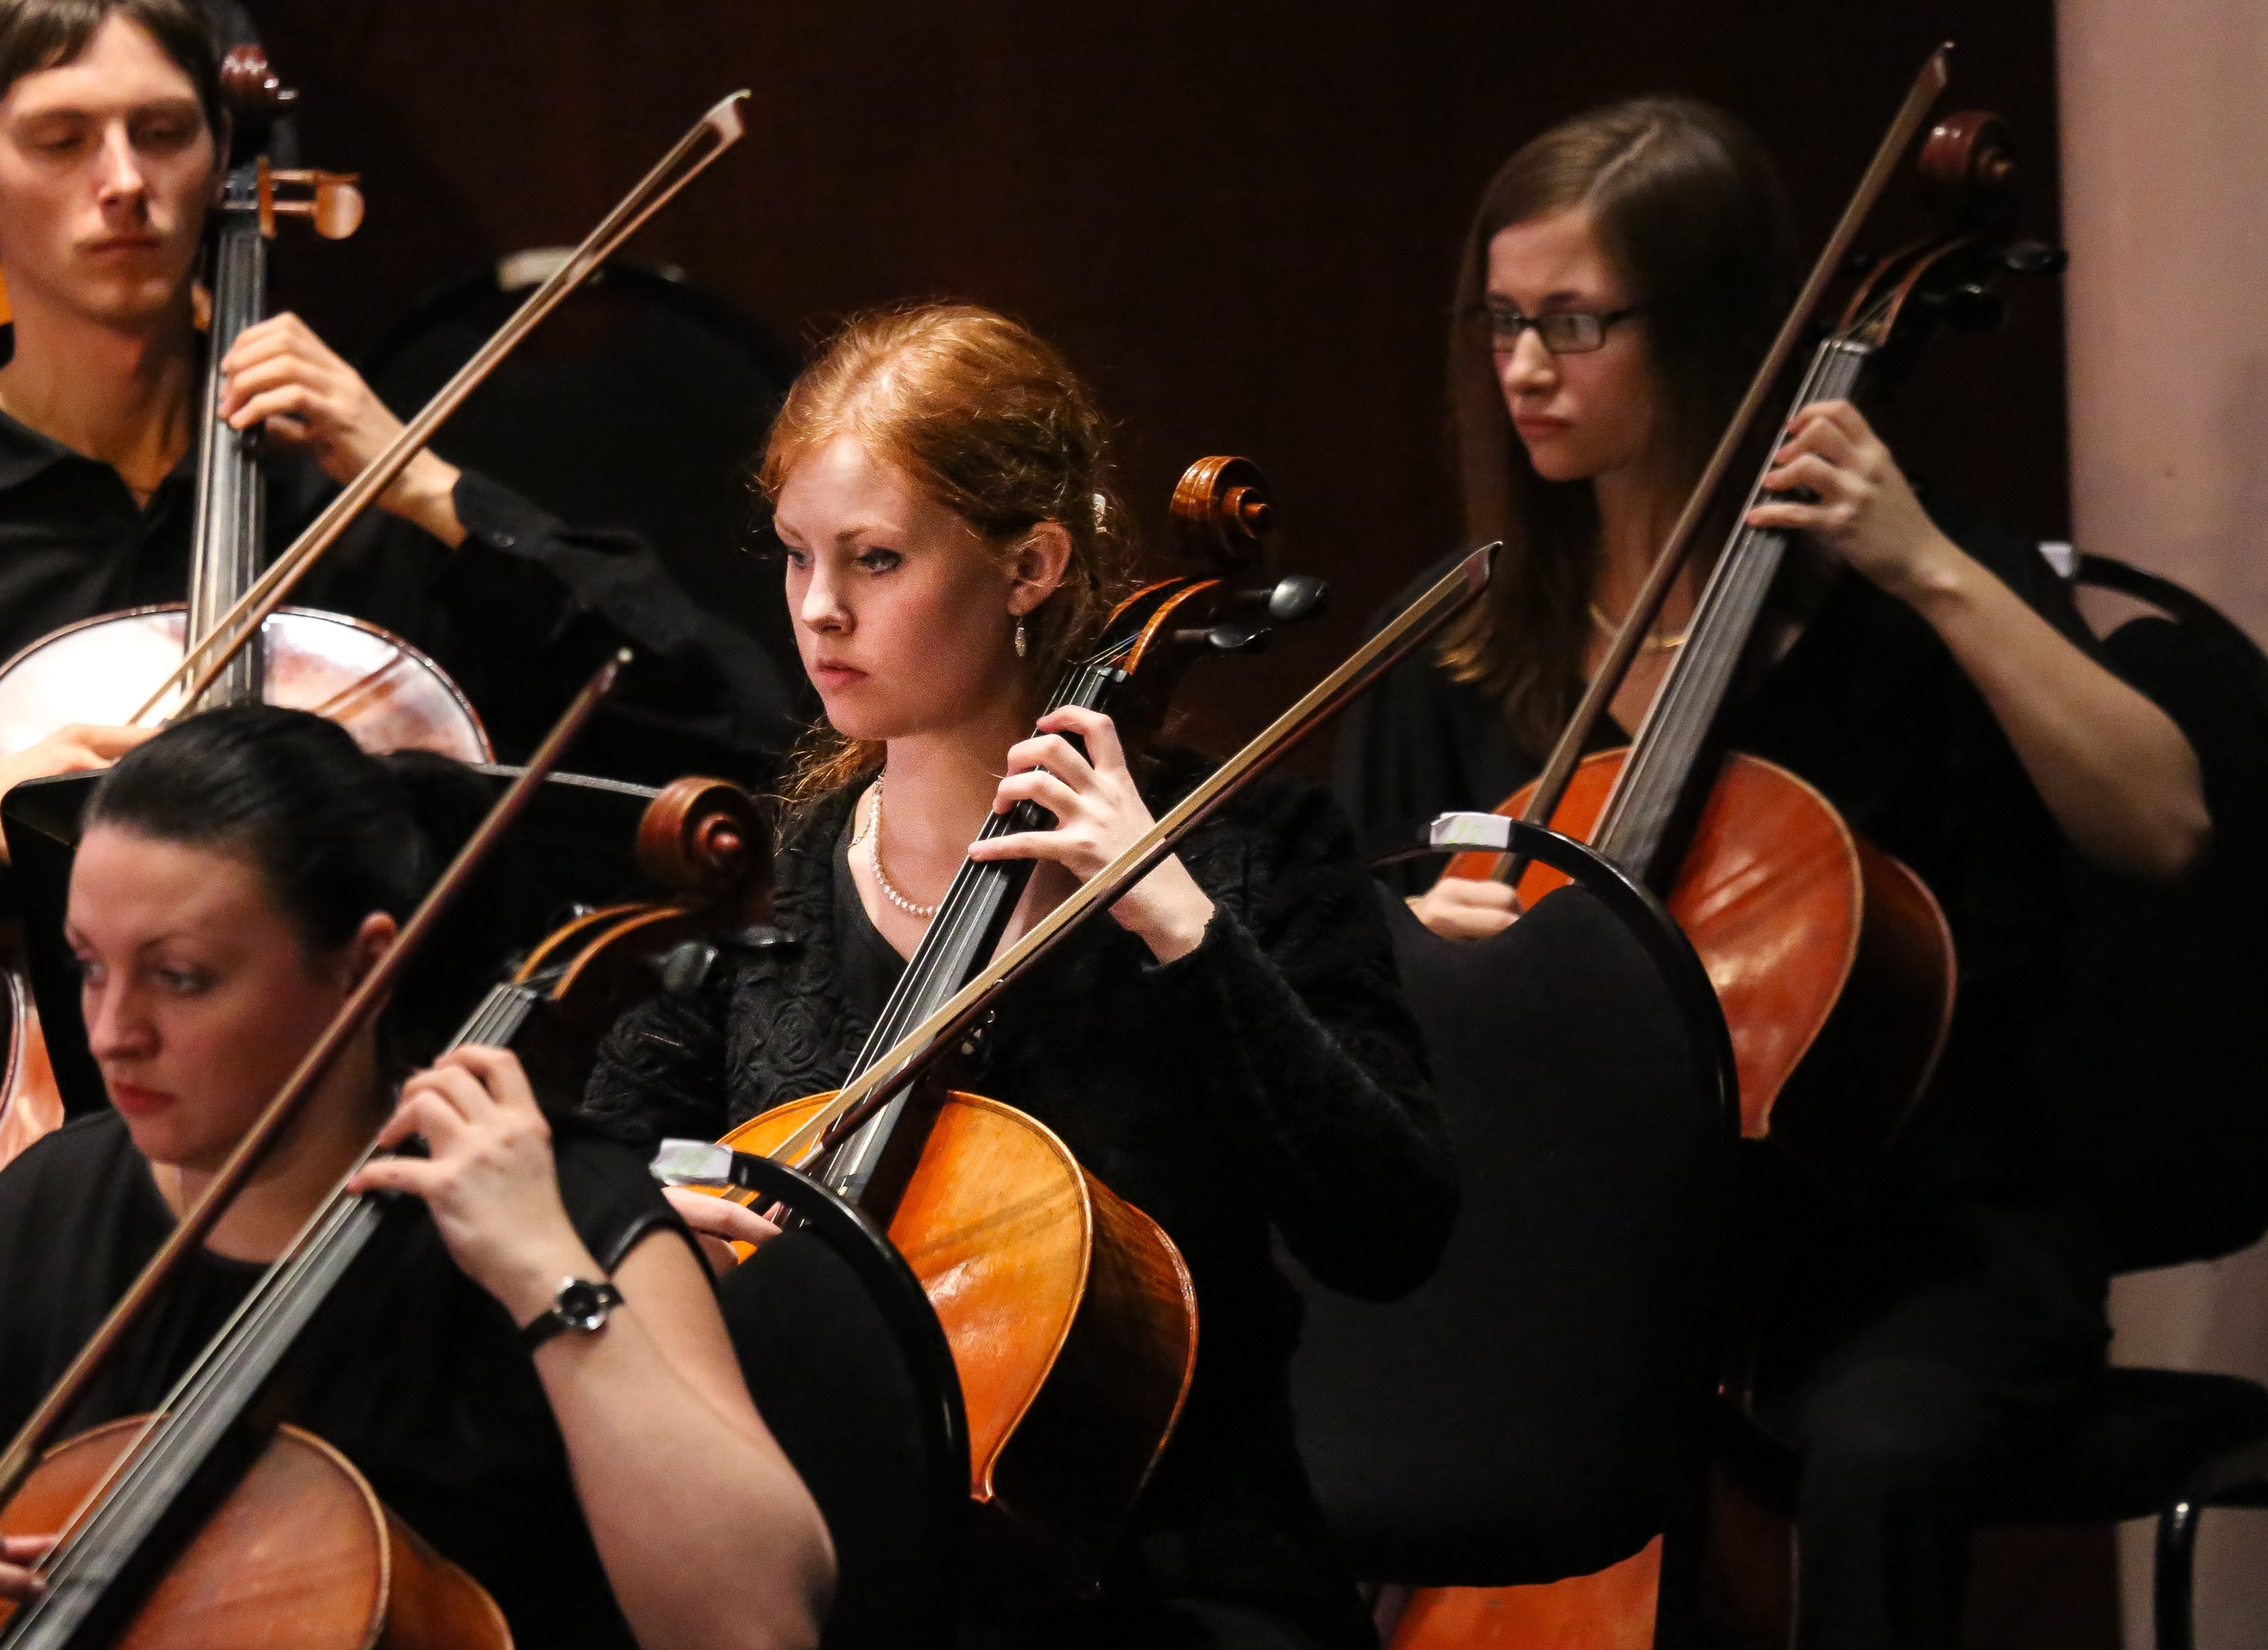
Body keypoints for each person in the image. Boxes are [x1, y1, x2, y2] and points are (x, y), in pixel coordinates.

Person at [1335, 98, 2210, 1650]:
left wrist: (1927, 562)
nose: (1525, 367)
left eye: (1577, 324)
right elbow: (1344, 983)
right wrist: (1426, 947)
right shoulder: (1465, 656)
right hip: (1594, 1257)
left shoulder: (1902, 610)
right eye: (1505, 320)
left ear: (1714, 327)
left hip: (1912, 1255)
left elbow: (2163, 825)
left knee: (1876, 1453)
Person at [580, 302, 1453, 1649]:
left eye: (875, 560)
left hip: (1167, 1581)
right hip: (822, 1555)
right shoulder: (779, 868)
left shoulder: (1246, 852)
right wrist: (660, 1224)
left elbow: (1390, 1226)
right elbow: (606, 1167)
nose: (819, 609)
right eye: (800, 555)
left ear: (1032, 565)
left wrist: (1176, 922)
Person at [0, 0, 791, 1168]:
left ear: (226, 160)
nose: (124, 181)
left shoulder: (351, 521)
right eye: (62, 139)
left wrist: (428, 484)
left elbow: (738, 722)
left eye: (165, 131)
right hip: (18, 1189)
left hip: (372, 1175)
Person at [0, 705, 834, 1650]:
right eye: (90, 965)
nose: (111, 1031)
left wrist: (545, 1275)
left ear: (362, 963)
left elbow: (758, 1623)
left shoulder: (565, 1206)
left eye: (180, 977)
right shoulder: (48, 1209)